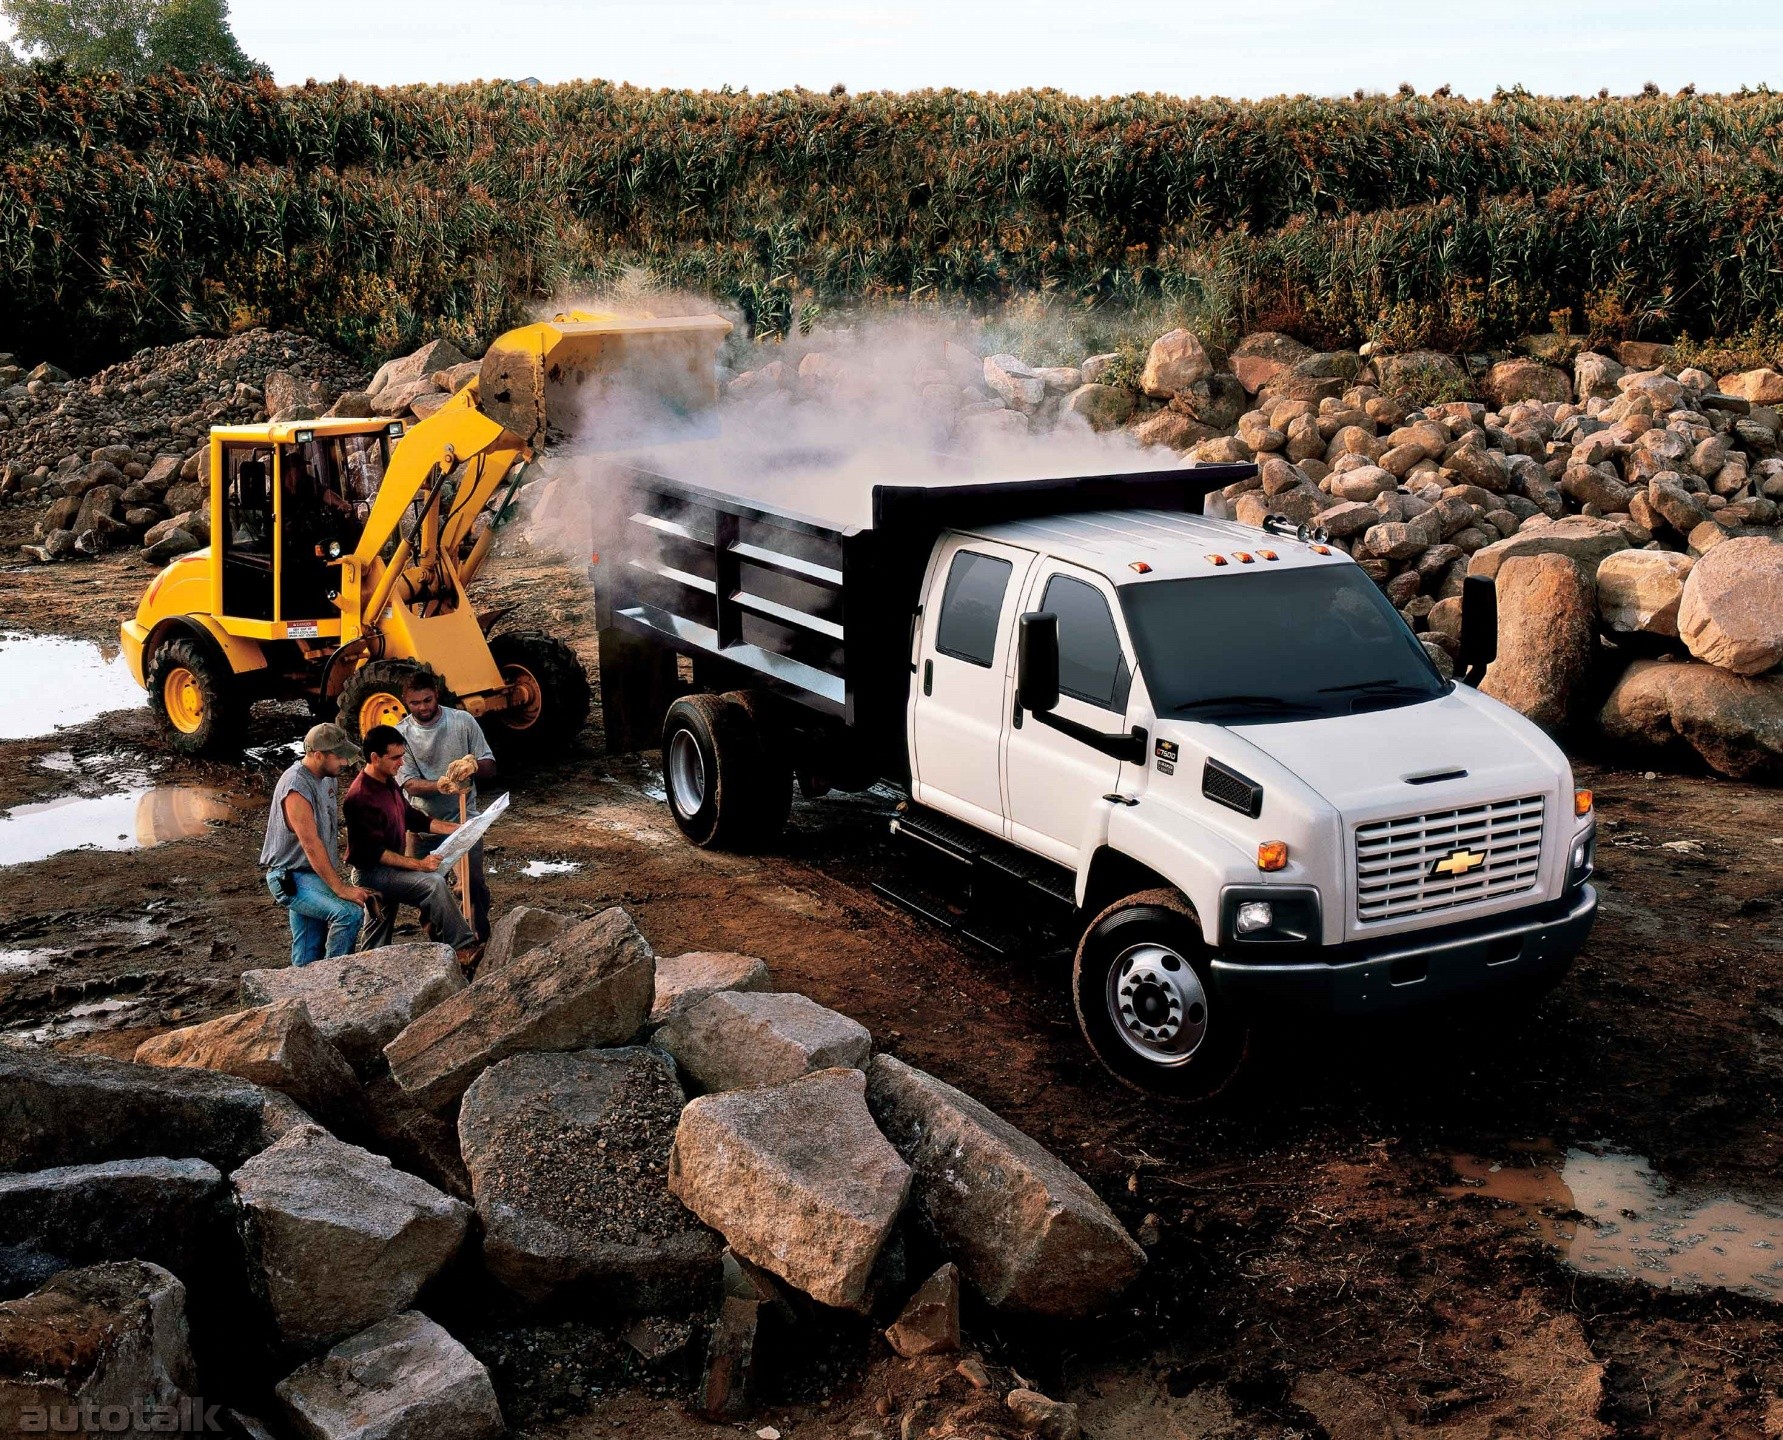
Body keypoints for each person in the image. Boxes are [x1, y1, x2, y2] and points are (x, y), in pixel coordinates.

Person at [344, 725, 480, 964]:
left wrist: (458, 829)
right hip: (374, 873)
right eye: (395, 757)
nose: (401, 763)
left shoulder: (386, 781)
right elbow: (374, 852)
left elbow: (413, 817)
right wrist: (419, 865)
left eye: (402, 756)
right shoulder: (360, 797)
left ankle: (365, 967)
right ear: (375, 758)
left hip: (388, 869)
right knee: (433, 884)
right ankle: (462, 947)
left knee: (377, 932)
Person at [396, 667, 496, 940]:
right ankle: (437, 945)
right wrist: (441, 785)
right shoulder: (401, 734)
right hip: (423, 827)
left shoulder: (462, 721)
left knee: (472, 886)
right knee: (427, 890)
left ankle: (479, 940)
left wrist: (474, 766)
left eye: (427, 700)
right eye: (415, 703)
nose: (423, 707)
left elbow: (490, 766)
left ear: (436, 695)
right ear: (406, 701)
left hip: (464, 821)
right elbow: (409, 784)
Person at [259, 723, 371, 966]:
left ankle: (302, 994)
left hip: (312, 873)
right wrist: (340, 888)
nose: (345, 762)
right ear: (317, 754)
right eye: (339, 756)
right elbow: (311, 844)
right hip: (291, 877)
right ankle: (332, 981)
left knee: (308, 952)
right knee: (349, 913)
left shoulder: (328, 777)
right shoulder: (296, 787)